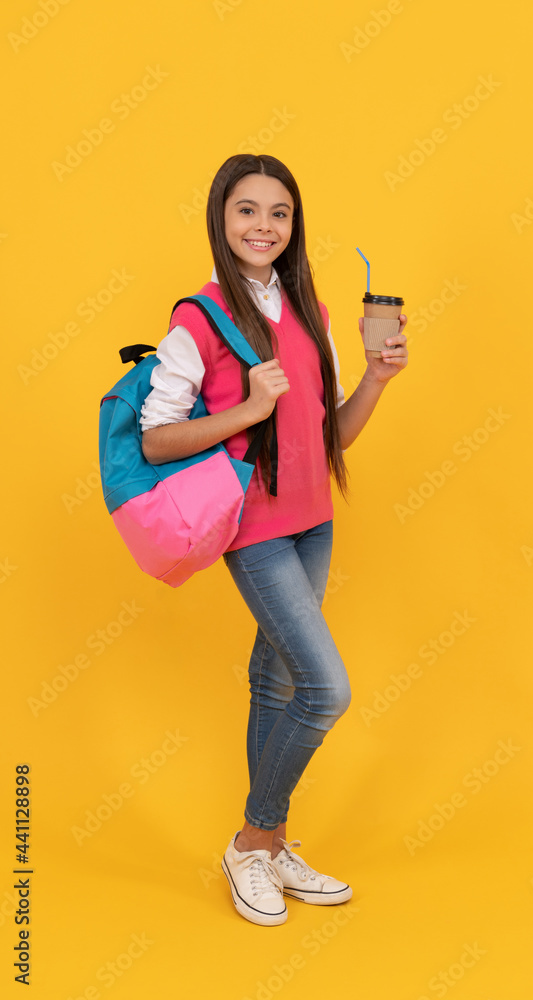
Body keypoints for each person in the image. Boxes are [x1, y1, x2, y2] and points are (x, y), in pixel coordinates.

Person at [140, 153, 408, 926]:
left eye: (279, 213)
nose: (263, 226)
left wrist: (376, 379)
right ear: (221, 220)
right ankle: (251, 837)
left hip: (312, 519)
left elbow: (332, 438)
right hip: (251, 529)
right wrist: (247, 409)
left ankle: (271, 847)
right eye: (247, 210)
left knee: (279, 681)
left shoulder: (310, 309)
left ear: (294, 225)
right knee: (325, 689)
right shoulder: (199, 318)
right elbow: (158, 441)